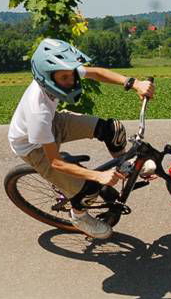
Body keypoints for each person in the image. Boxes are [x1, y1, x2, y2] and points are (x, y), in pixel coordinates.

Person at [8, 38, 155, 239]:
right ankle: (78, 216)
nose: (71, 82)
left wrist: (133, 83)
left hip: (53, 122)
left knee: (112, 129)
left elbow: (96, 72)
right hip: (32, 146)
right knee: (90, 188)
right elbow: (55, 162)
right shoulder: (38, 111)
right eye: (64, 78)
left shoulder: (59, 72)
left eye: (72, 75)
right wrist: (98, 176)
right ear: (47, 78)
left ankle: (125, 165)